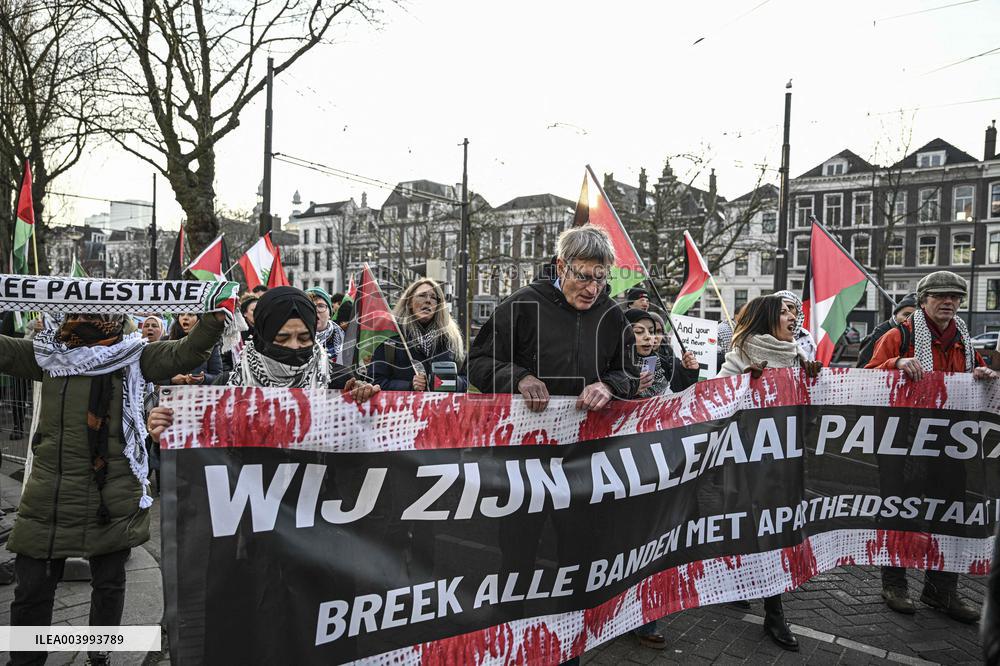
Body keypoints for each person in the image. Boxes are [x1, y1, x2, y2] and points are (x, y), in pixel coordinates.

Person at [0, 307, 226, 666]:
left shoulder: (134, 354)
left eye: (97, 313)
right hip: (50, 494)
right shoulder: (47, 354)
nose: (87, 319)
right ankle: (25, 661)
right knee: (31, 589)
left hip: (112, 493)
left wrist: (213, 320)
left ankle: (99, 652)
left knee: (108, 585)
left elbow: (185, 352)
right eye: (78, 313)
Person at [867, 271, 994, 622]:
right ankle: (895, 584)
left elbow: (978, 378)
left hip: (950, 444)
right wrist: (896, 363)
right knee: (899, 510)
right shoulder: (899, 336)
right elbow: (867, 376)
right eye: (940, 296)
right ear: (923, 301)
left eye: (954, 297)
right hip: (902, 442)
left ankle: (941, 591)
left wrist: (983, 376)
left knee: (948, 514)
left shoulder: (966, 343)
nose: (949, 302)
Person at [717, 295, 822, 651]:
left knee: (776, 528)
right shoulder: (740, 356)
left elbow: (812, 416)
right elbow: (714, 404)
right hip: (745, 461)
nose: (792, 316)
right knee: (748, 527)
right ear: (766, 319)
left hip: (784, 462)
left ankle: (773, 609)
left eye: (794, 311)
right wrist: (742, 385)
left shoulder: (800, 359)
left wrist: (814, 385)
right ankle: (745, 585)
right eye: (783, 311)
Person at [469, 224, 638, 410]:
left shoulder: (612, 315)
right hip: (527, 432)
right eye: (583, 277)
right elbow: (476, 363)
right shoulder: (521, 305)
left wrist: (609, 386)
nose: (593, 289)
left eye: (600, 278)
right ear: (561, 267)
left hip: (591, 434)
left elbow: (630, 372)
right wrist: (519, 378)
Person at [370, 278, 467, 392]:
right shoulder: (392, 338)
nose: (428, 301)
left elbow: (466, 380)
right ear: (409, 303)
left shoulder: (451, 340)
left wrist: (453, 382)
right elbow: (376, 382)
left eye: (433, 297)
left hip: (442, 408)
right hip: (404, 408)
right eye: (422, 295)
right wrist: (409, 386)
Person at [627, 309, 699, 397]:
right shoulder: (614, 370)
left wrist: (688, 372)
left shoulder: (666, 364)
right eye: (639, 331)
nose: (649, 337)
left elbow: (684, 397)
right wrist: (630, 390)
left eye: (651, 331)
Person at [855, 293, 917, 368]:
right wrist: (896, 363)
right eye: (906, 314)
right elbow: (861, 370)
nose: (909, 319)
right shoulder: (876, 336)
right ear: (896, 314)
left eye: (914, 316)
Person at [165, 313, 222, 386]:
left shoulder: (210, 344)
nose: (185, 317)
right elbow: (153, 374)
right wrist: (171, 380)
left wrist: (204, 379)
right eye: (182, 314)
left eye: (190, 314)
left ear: (199, 319)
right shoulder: (166, 341)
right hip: (170, 394)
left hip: (199, 394)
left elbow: (218, 377)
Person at [773, 290, 817, 360]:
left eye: (790, 308)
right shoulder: (763, 334)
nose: (788, 314)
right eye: (782, 310)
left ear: (797, 312)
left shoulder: (804, 336)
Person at [305, 287, 340, 360]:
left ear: (330, 314)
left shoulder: (346, 340)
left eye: (321, 306)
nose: (315, 311)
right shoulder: (291, 340)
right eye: (309, 306)